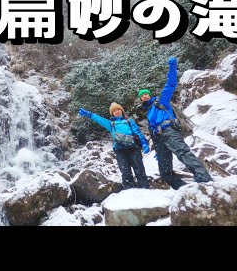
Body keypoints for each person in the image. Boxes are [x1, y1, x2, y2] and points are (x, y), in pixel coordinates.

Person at [138, 56, 213, 190]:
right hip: (159, 139)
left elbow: (171, 84)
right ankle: (183, 189)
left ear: (150, 95)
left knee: (183, 154)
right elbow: (152, 131)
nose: (144, 96)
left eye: (146, 94)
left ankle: (204, 179)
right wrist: (156, 147)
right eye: (142, 96)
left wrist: (172, 67)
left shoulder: (161, 102)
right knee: (165, 172)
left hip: (169, 131)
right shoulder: (148, 113)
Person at [79, 102, 150, 189]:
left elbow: (138, 132)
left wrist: (144, 143)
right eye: (114, 111)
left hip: (133, 148)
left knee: (140, 170)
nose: (117, 111)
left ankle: (145, 189)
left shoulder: (129, 121)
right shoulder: (111, 124)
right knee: (125, 172)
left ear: (122, 111)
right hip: (120, 150)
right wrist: (89, 114)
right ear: (112, 113)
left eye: (118, 109)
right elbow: (100, 119)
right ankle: (130, 192)